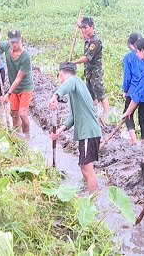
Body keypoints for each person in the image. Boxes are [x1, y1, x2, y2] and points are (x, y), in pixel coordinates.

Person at [49, 61, 102, 193]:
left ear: (60, 74)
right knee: (84, 168)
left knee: (87, 169)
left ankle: (92, 203)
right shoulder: (76, 90)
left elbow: (69, 81)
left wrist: (55, 96)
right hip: (88, 133)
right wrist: (59, 131)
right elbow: (73, 116)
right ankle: (90, 196)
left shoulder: (74, 80)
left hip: (88, 133)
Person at [0, 29, 34, 133]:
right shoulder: (7, 47)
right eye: (12, 42)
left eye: (17, 42)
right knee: (13, 114)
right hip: (14, 87)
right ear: (8, 40)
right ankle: (17, 136)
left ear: (21, 40)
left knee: (22, 114)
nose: (15, 44)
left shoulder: (25, 56)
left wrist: (8, 94)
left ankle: (26, 136)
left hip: (25, 87)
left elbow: (18, 78)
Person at [71, 16, 110, 124]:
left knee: (100, 93)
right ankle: (95, 113)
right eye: (82, 28)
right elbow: (83, 34)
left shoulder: (95, 41)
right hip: (88, 72)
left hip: (95, 72)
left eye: (86, 28)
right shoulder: (88, 38)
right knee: (91, 94)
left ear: (92, 27)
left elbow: (87, 57)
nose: (84, 30)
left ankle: (106, 116)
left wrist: (73, 62)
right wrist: (80, 27)